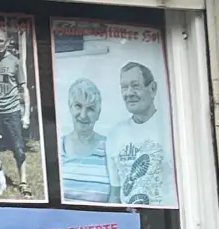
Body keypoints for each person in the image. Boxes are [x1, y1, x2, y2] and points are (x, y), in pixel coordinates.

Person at [108, 62, 178, 206]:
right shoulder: (115, 134)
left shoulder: (173, 127)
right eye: (124, 87)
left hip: (168, 220)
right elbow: (115, 193)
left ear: (152, 89)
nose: (128, 93)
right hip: (132, 221)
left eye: (135, 86)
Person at [0, 28, 33, 197]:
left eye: (1, 41)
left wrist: (26, 114)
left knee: (18, 149)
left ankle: (23, 182)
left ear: (8, 41)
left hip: (12, 111)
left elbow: (24, 88)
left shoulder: (15, 62)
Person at [61, 78, 112, 203]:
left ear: (98, 113)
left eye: (90, 109)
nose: (83, 115)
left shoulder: (111, 148)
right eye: (78, 106)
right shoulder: (55, 148)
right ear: (70, 107)